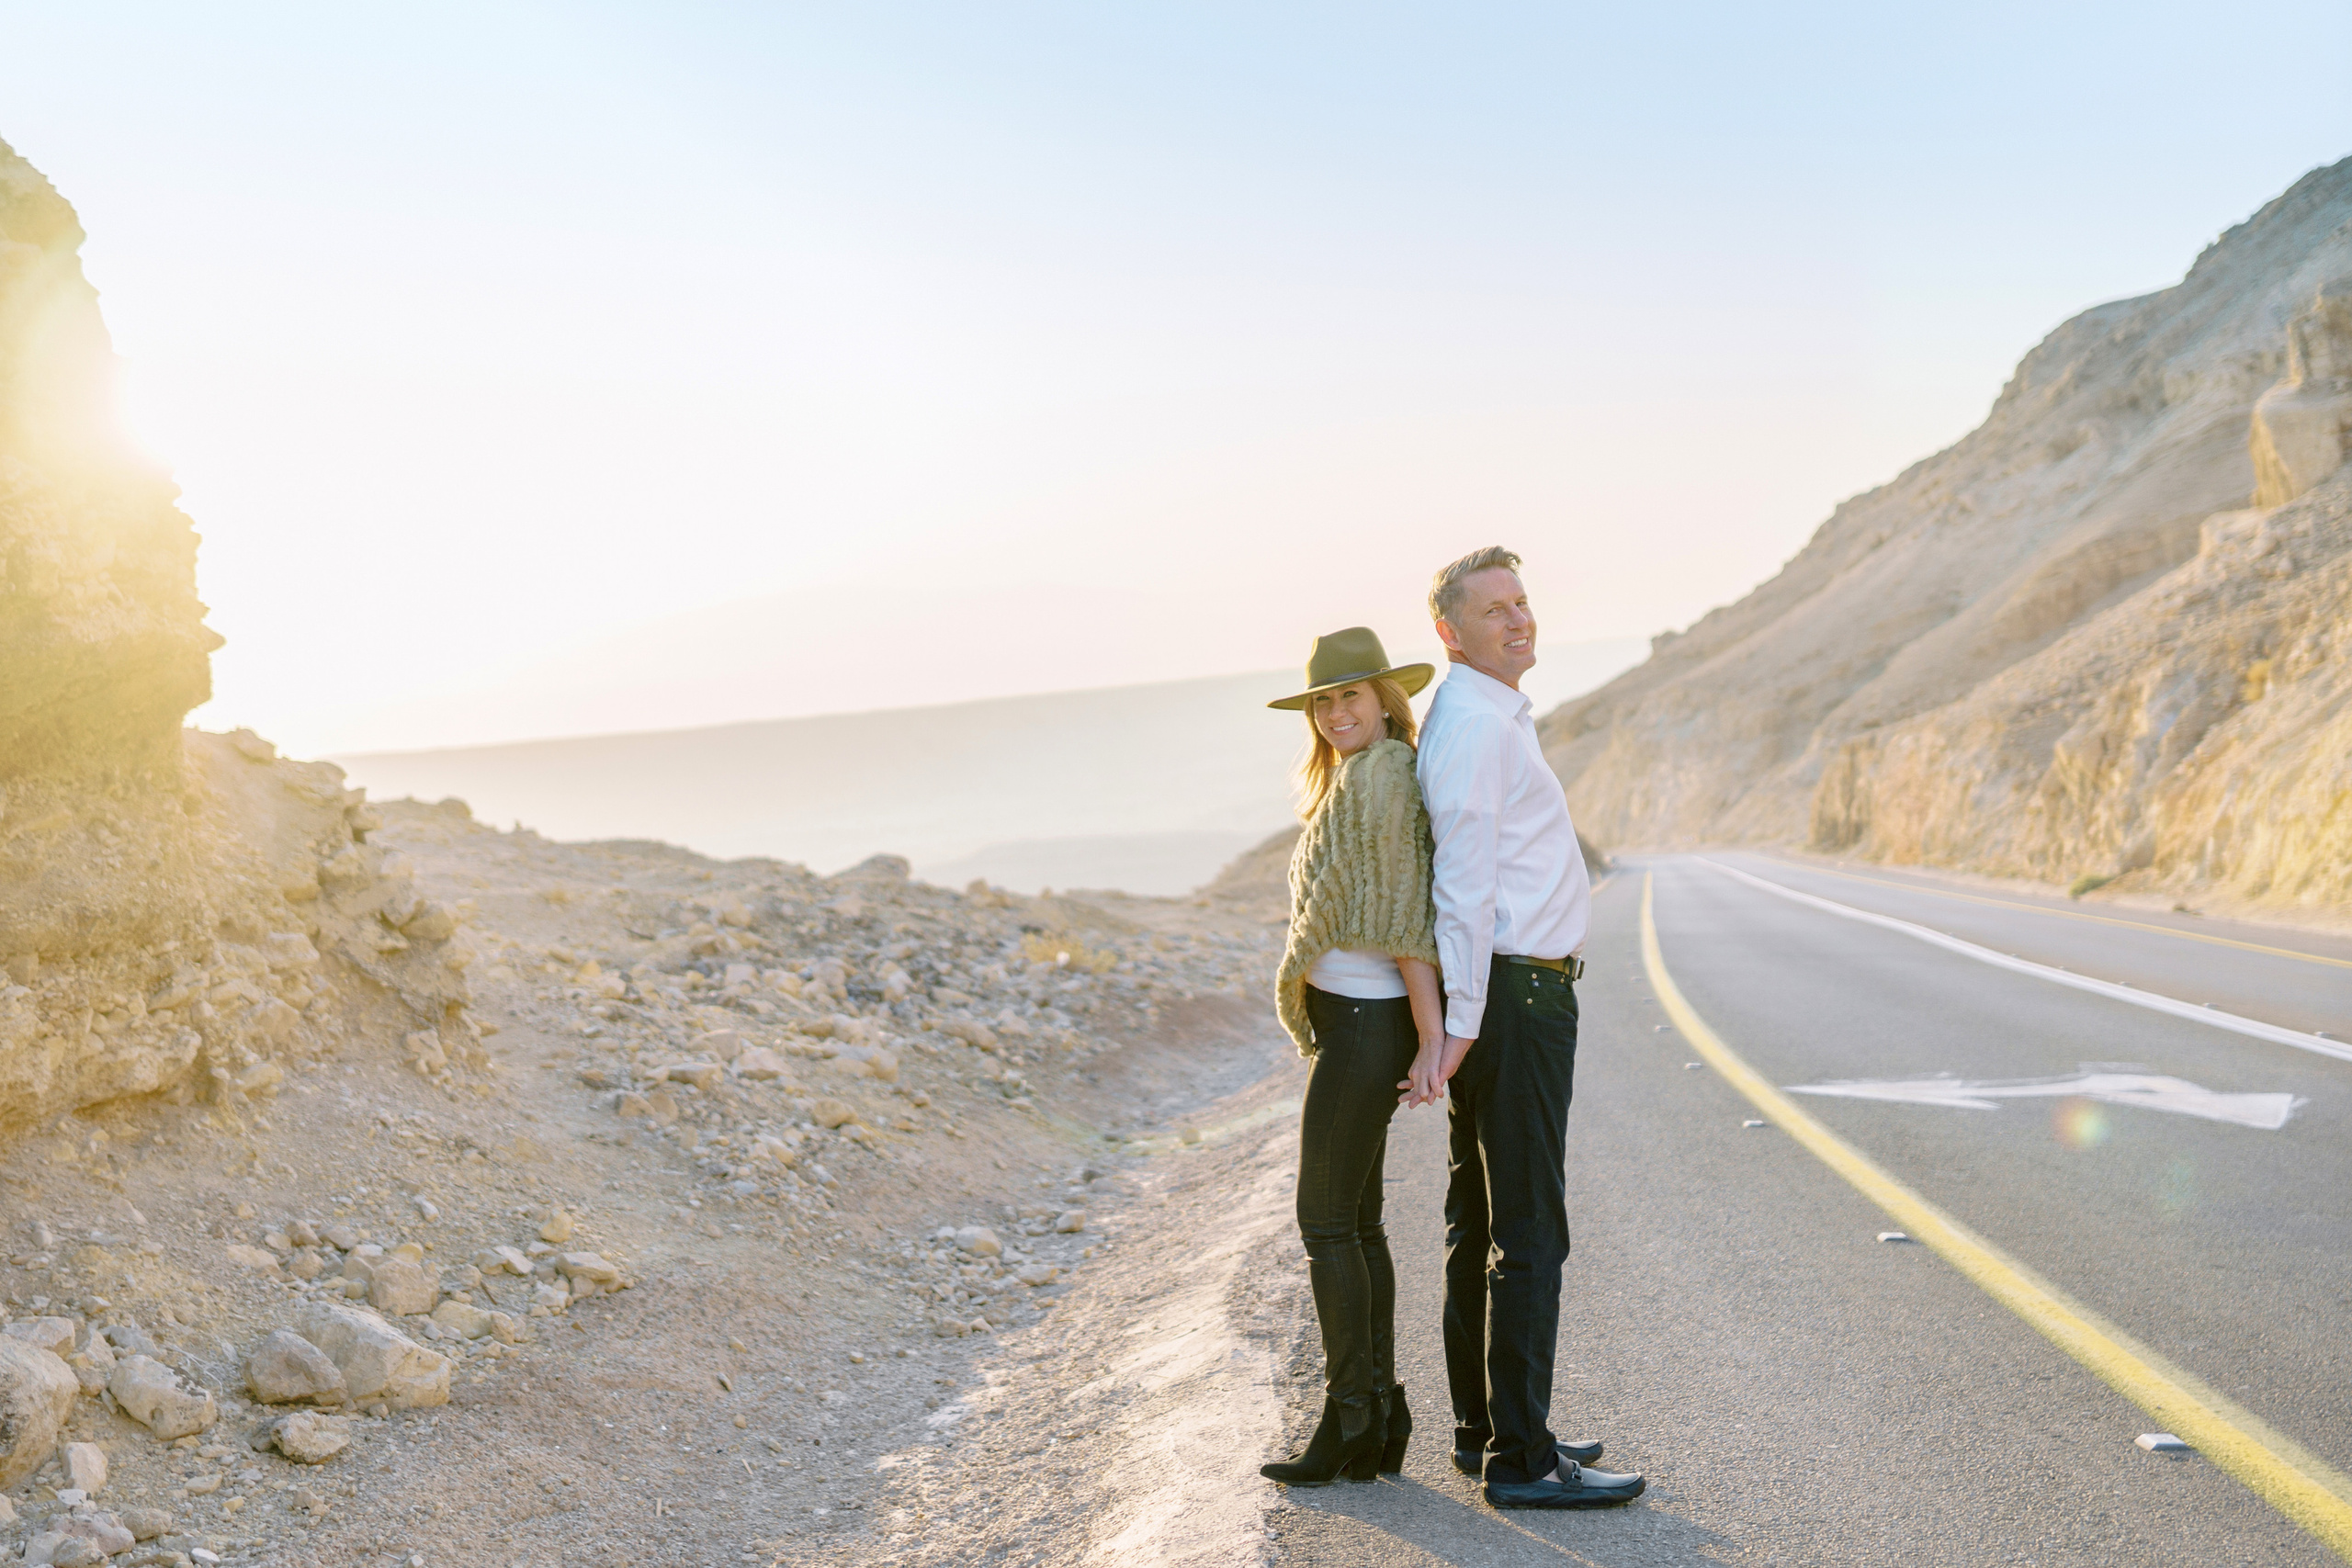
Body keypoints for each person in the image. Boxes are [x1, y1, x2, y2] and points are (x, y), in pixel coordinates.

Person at [1407, 546, 1645, 1509]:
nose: (1517, 620)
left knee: (1481, 1221)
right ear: (1448, 631)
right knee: (1530, 1231)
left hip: (1506, 993)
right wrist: (1461, 1024)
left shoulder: (1488, 716)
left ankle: (1491, 1431)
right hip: (1515, 998)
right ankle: (1524, 1462)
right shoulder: (1473, 726)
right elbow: (1461, 884)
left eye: (1522, 602)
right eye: (1493, 609)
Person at [1257, 626, 1449, 1486]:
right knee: (1357, 1223)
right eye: (1324, 702)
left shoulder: (1382, 777)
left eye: (1351, 697)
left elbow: (1408, 920)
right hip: (1353, 1022)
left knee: (1325, 1222)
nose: (1337, 713)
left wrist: (1431, 1036)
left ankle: (1352, 1419)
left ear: (1384, 700)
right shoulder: (1353, 776)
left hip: (1371, 1026)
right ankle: (1376, 1415)